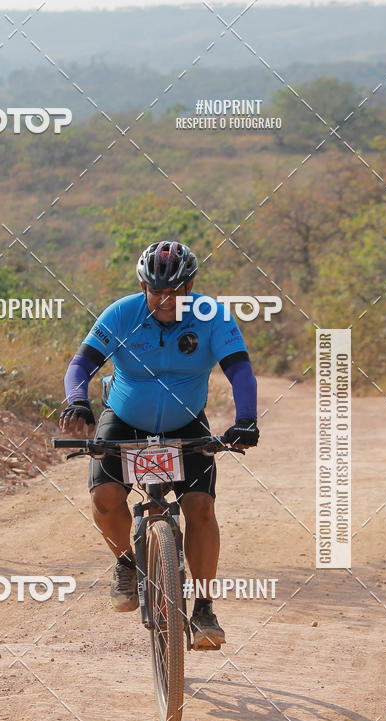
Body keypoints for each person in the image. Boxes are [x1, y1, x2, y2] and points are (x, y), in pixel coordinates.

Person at [59, 240, 259, 649]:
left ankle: (203, 608)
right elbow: (81, 365)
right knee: (104, 499)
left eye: (175, 291)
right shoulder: (121, 313)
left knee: (200, 507)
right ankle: (126, 563)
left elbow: (240, 370)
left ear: (190, 287)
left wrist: (246, 420)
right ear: (142, 286)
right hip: (124, 421)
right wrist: (77, 400)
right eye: (156, 291)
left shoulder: (213, 316)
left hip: (185, 423)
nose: (165, 300)